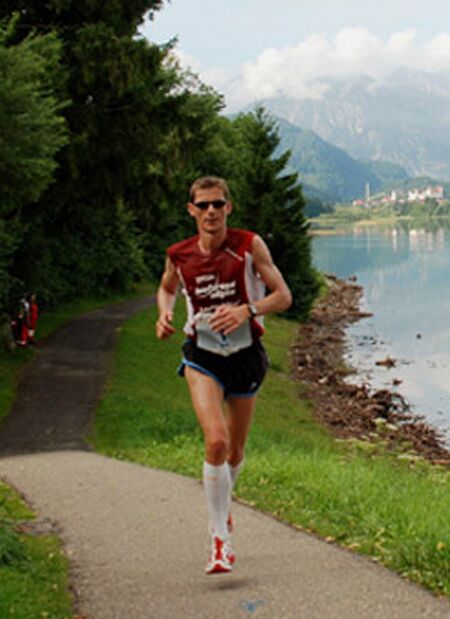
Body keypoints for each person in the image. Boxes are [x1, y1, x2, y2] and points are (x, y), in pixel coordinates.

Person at [155, 176, 292, 575]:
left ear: (228, 208)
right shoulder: (179, 255)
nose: (211, 211)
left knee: (234, 453)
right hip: (203, 357)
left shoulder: (249, 245)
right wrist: (163, 313)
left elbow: (283, 296)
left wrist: (247, 310)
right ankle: (220, 540)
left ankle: (223, 507)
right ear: (192, 210)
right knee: (215, 441)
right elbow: (166, 289)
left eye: (218, 204)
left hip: (246, 356)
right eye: (203, 205)